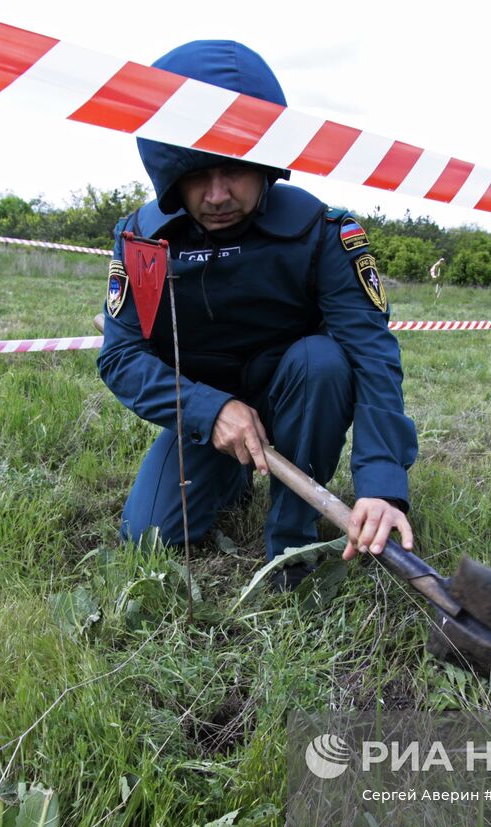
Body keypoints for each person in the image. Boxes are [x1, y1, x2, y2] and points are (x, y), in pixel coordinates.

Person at [97, 40, 418, 591]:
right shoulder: (145, 241)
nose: (217, 195)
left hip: (297, 392)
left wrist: (381, 485)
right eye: (197, 175)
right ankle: (234, 471)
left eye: (235, 170)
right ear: (169, 172)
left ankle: (292, 546)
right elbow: (121, 357)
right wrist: (209, 410)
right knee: (147, 536)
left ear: (266, 160)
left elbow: (371, 355)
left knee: (324, 362)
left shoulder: (322, 232)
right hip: (205, 414)